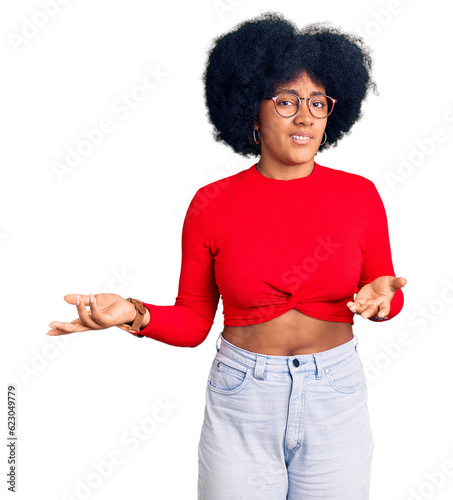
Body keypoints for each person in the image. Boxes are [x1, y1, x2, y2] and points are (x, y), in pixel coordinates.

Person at [47, 11, 407, 500]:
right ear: (250, 110)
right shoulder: (211, 204)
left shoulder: (360, 196)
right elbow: (195, 320)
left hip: (336, 396)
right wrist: (134, 314)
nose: (304, 116)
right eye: (286, 101)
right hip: (242, 397)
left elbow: (384, 293)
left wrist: (384, 301)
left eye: (318, 102)